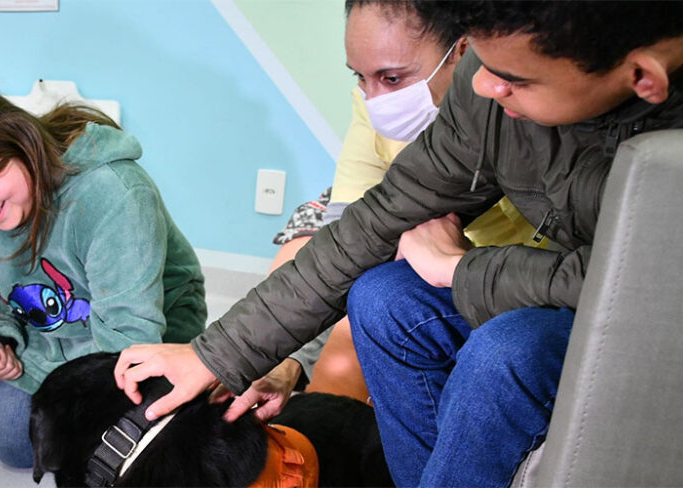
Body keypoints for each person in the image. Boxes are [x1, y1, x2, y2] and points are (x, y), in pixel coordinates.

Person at [116, 2, 683, 486]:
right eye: (481, 61)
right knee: (382, 297)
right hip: (557, 283)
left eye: (514, 79)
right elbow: (372, 222)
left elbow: (642, 286)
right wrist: (215, 355)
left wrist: (464, 269)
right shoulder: (492, 87)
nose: (483, 86)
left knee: (503, 354)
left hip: (668, 316)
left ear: (641, 78)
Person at [215, 0, 552, 416]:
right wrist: (284, 362)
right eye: (362, 78)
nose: (375, 99)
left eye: (392, 78)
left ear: (463, 51)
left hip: (465, 250)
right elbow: (345, 240)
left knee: (360, 330)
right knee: (307, 264)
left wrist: (456, 267)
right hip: (384, 219)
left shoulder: (520, 121)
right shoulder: (375, 109)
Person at [0, 71, 206, 469]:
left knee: (132, 456)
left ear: (12, 136)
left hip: (141, 339)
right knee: (10, 444)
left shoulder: (114, 193)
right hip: (54, 339)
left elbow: (129, 338)